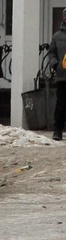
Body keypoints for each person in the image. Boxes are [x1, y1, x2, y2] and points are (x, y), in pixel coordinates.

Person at [49, 9, 66, 141]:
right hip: (62, 76)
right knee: (60, 104)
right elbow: (52, 53)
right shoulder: (57, 36)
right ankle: (57, 130)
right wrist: (55, 64)